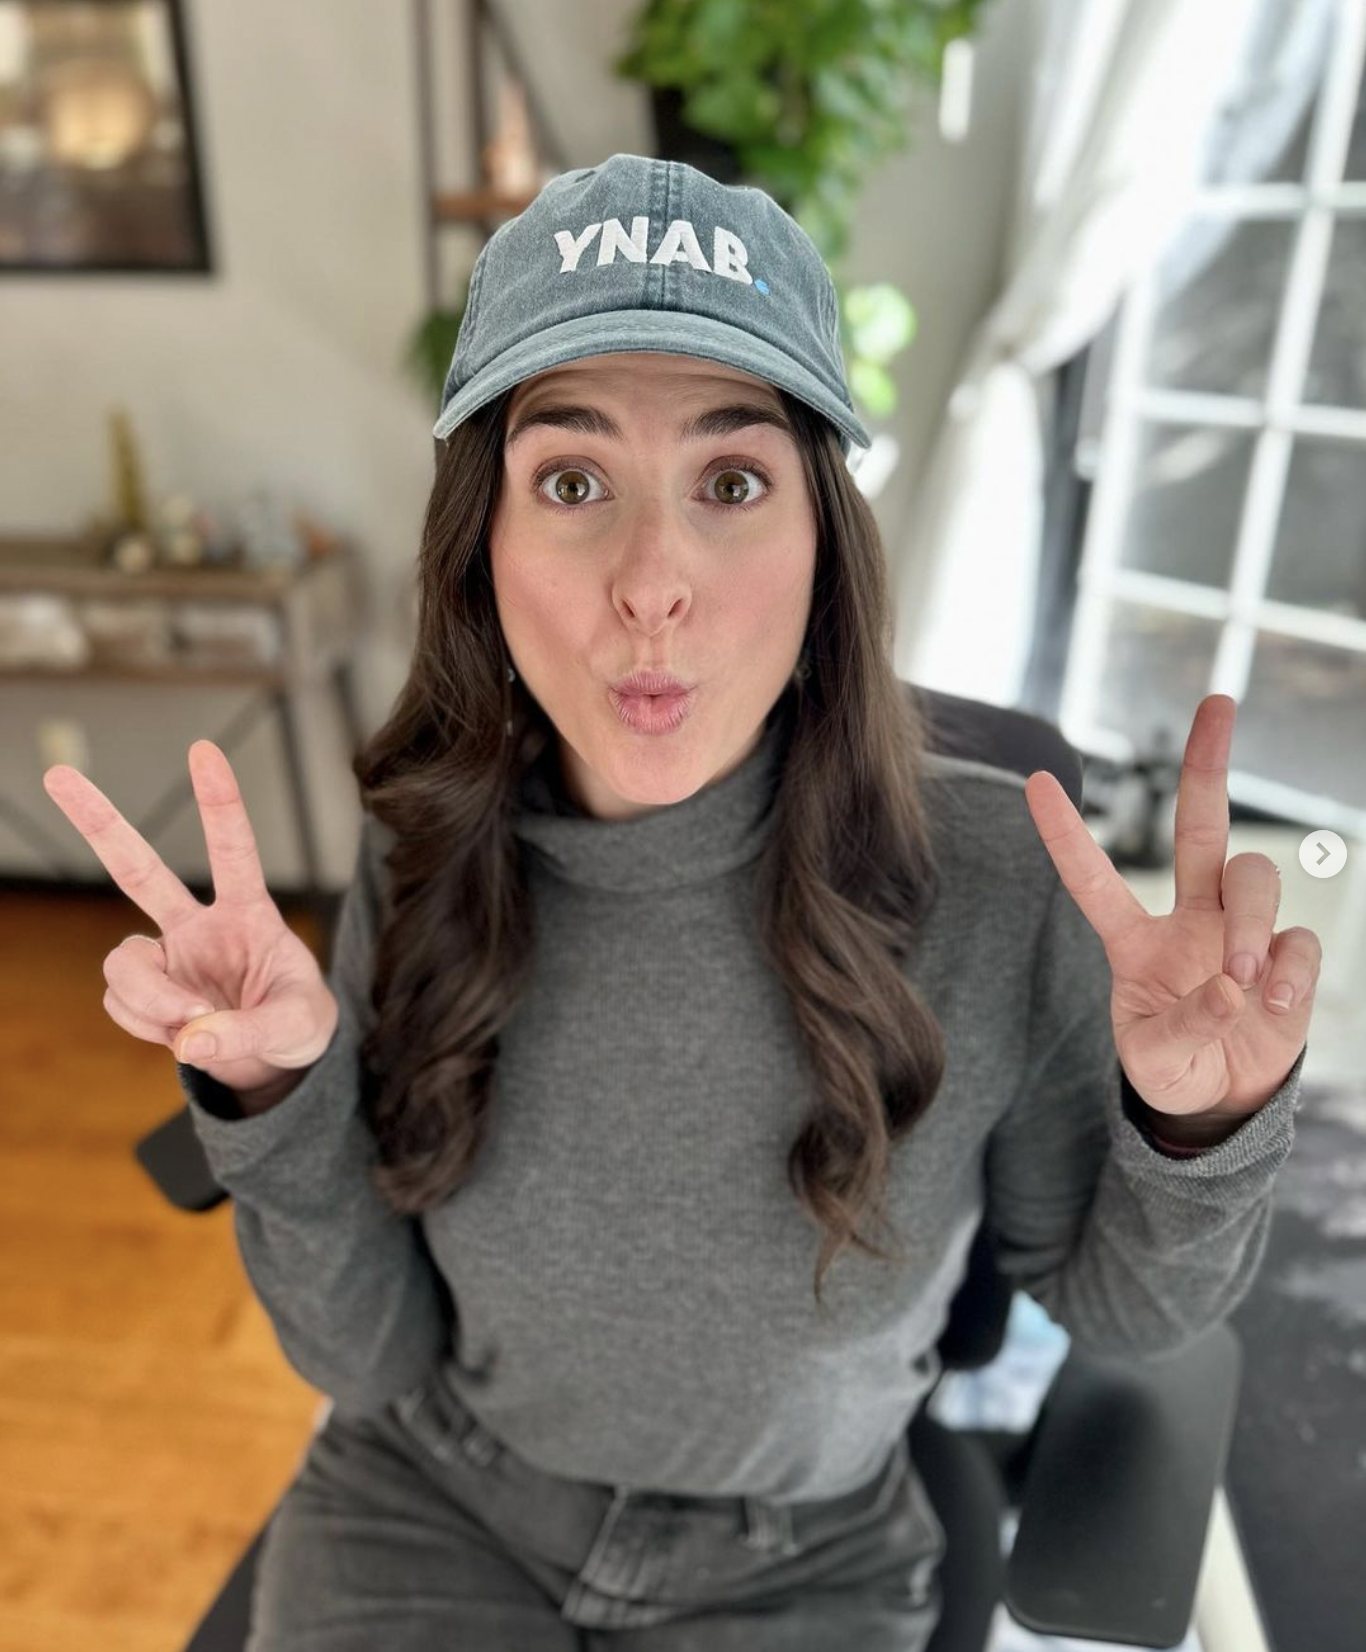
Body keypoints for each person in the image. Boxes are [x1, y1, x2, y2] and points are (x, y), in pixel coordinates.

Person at [43, 153, 1317, 1650]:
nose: (652, 583)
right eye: (572, 482)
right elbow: (369, 1363)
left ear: (823, 547)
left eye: (731, 481)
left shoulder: (993, 880)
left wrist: (1198, 1134)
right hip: (434, 1507)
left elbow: (1127, 1317)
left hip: (804, 1565)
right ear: (482, 548)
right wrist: (274, 1100)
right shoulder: (426, 849)